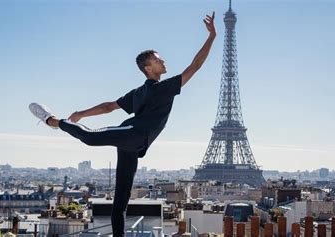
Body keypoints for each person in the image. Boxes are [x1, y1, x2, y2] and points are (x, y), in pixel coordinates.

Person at [29, 12, 216, 237]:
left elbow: (109, 106)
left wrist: (82, 113)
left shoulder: (153, 90)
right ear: (148, 68)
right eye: (158, 60)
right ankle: (53, 120)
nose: (163, 61)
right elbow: (195, 65)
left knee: (121, 200)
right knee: (90, 137)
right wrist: (212, 36)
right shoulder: (147, 91)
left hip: (135, 146)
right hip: (132, 132)